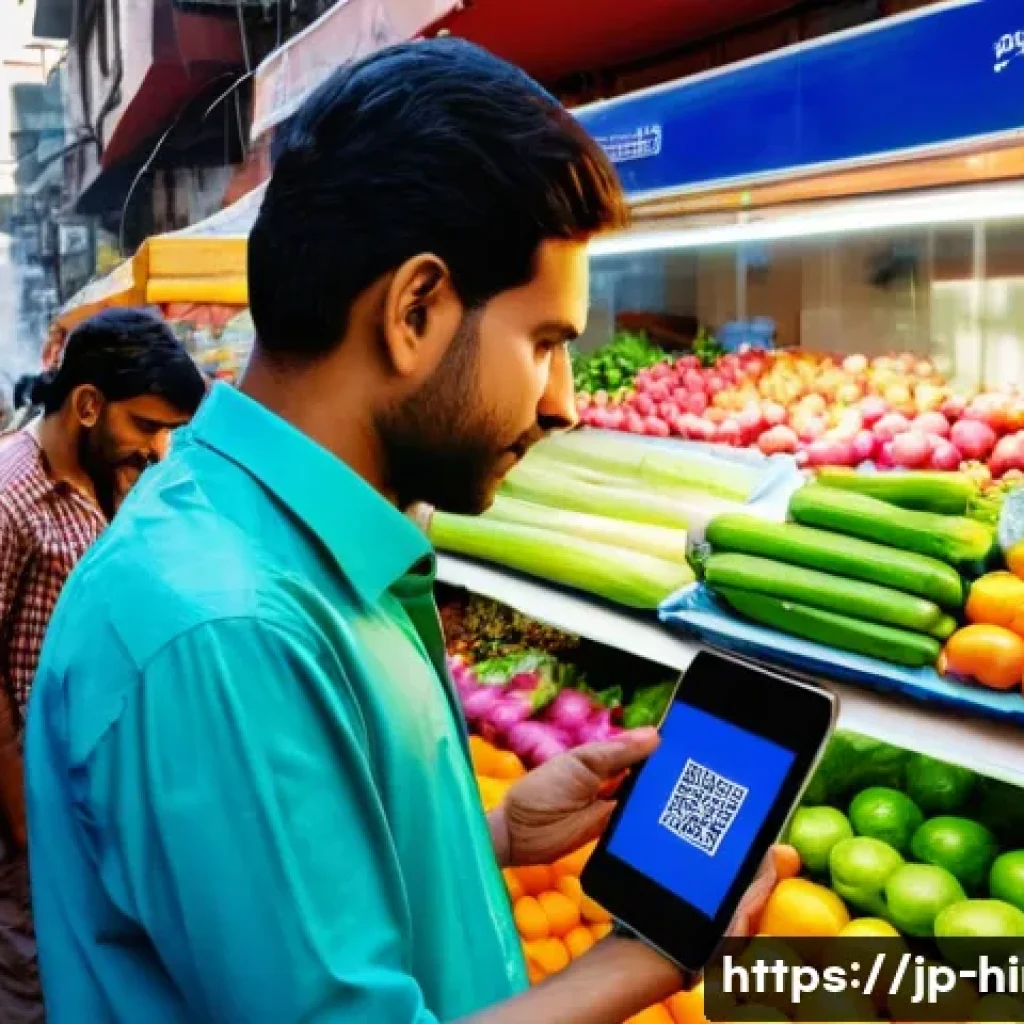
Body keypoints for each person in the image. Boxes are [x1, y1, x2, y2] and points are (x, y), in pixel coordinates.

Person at [25, 41, 775, 1024]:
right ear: (415, 310)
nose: (564, 403)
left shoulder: (298, 560)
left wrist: (493, 829)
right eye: (545, 342)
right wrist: (655, 954)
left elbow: (292, 902)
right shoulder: (224, 626)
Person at [0, 307, 205, 1022]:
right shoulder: (10, 496)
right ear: (88, 405)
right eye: (146, 425)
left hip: (85, 798)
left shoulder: (104, 478)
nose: (157, 449)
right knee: (32, 980)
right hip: (25, 811)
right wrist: (23, 813)